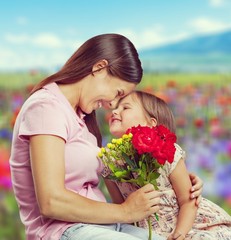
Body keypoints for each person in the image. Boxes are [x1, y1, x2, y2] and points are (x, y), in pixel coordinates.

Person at [9, 33, 203, 240]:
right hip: (63, 231)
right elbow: (51, 201)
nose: (112, 104)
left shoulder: (81, 118)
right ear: (99, 68)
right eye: (118, 92)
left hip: (105, 226)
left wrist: (177, 181)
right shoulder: (47, 107)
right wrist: (126, 211)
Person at [104, 90, 231, 240]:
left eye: (125, 108)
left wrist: (180, 234)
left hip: (190, 225)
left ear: (150, 123)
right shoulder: (110, 162)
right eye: (116, 108)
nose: (114, 111)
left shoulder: (166, 153)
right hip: (148, 231)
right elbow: (121, 207)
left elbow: (187, 200)